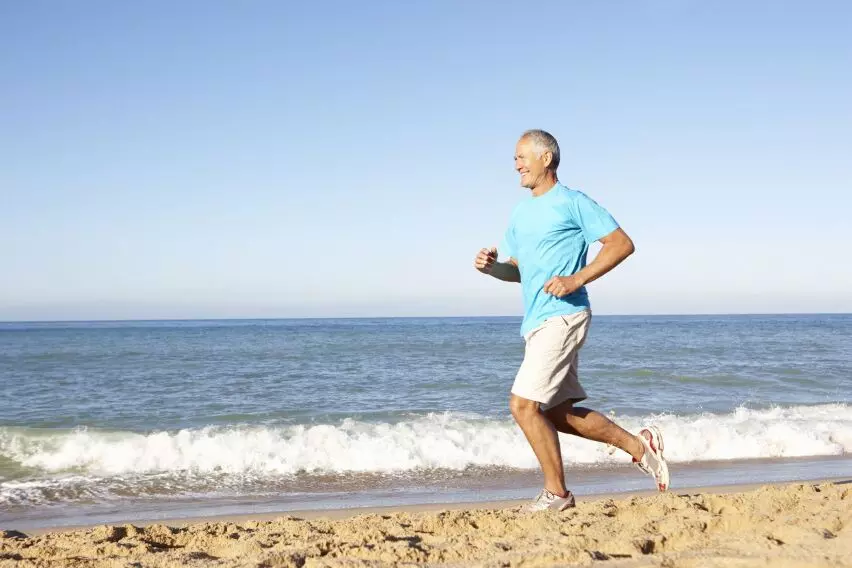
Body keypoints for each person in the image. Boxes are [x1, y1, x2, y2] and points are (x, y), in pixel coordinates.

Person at [473, 129, 669, 512]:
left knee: (522, 406)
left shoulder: (572, 202)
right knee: (557, 414)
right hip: (536, 323)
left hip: (564, 316)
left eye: (521, 156)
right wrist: (492, 268)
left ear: (546, 158)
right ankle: (639, 445)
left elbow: (621, 244)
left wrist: (576, 279)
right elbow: (518, 271)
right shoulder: (520, 211)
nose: (515, 164)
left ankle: (558, 494)